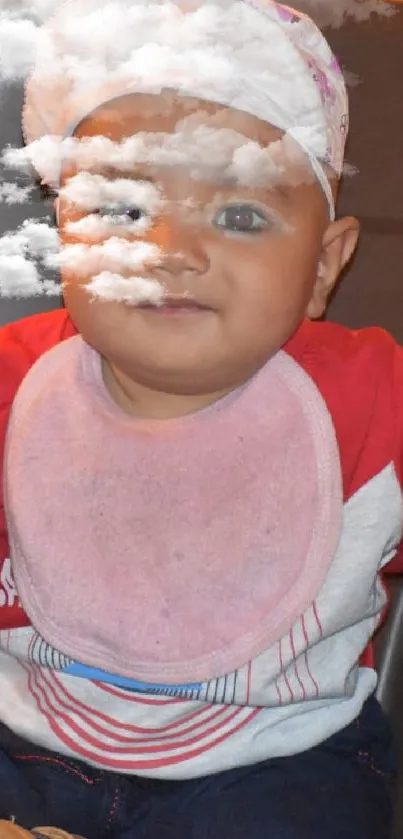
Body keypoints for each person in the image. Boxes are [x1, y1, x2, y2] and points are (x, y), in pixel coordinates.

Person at [0, 0, 401, 837]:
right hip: (21, 734)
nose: (171, 249)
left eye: (239, 215)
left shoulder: (372, 401)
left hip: (277, 761)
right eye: (119, 209)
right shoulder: (14, 382)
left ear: (324, 266)